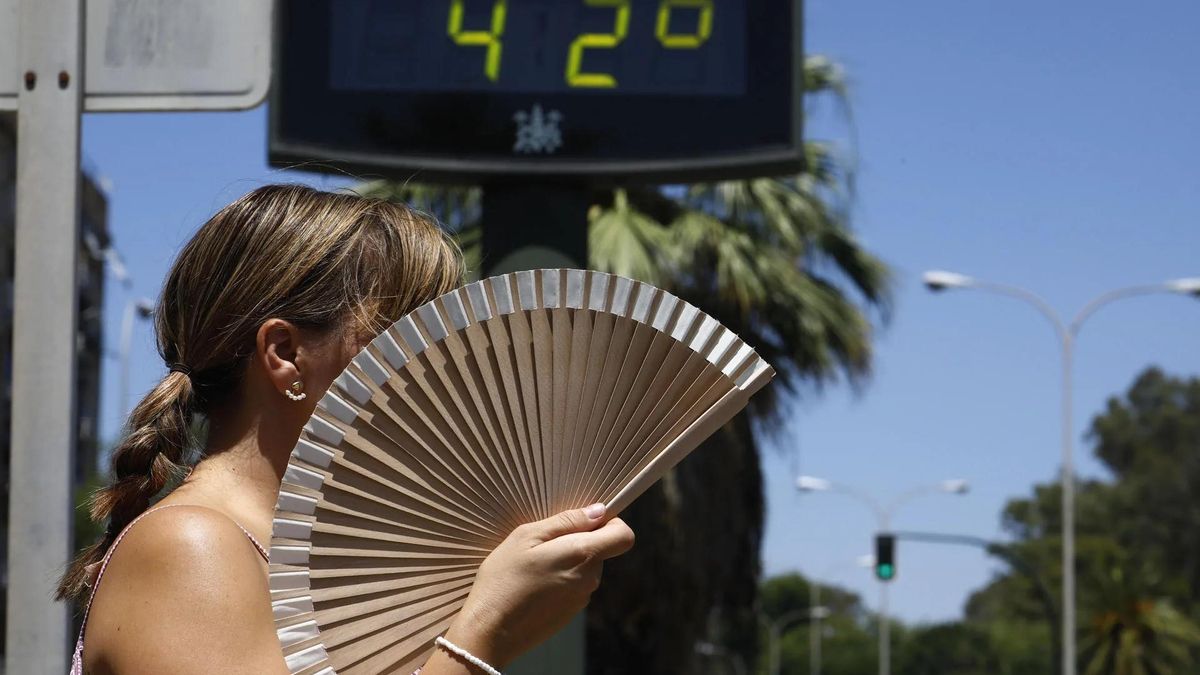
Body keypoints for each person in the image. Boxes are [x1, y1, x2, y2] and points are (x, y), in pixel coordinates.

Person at [58, 184, 636, 674]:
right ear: (286, 355)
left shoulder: (322, 562)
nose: (444, 369)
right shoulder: (193, 546)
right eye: (407, 339)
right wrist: (485, 633)